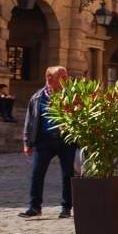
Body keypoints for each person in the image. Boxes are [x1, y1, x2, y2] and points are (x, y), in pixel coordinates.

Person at [21, 66, 76, 218]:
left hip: (66, 139)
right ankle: (34, 207)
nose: (66, 79)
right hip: (43, 140)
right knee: (37, 173)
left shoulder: (71, 95)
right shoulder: (38, 97)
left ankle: (66, 208)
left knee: (68, 174)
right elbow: (29, 120)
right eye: (62, 77)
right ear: (50, 78)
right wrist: (27, 142)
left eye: (66, 76)